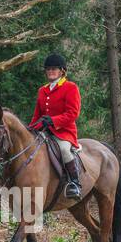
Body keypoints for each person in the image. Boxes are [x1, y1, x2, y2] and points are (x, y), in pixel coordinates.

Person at [29, 53, 83, 199]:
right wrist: (31, 129)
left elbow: (73, 113)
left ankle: (75, 183)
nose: (51, 71)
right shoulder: (42, 90)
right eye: (48, 69)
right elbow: (37, 116)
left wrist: (53, 121)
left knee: (65, 150)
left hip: (63, 132)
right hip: (44, 132)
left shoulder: (70, 87)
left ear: (62, 71)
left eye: (54, 69)